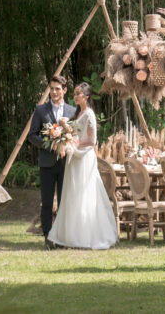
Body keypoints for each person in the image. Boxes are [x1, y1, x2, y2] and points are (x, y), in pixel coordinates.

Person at [47, 82, 117, 249]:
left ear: (85, 96)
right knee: (73, 194)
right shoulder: (79, 113)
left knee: (84, 193)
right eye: (75, 93)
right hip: (75, 157)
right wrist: (66, 131)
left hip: (84, 157)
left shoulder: (89, 114)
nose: (75, 96)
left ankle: (87, 235)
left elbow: (92, 141)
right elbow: (75, 132)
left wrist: (73, 141)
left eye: (78, 93)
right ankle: (71, 235)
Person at [28, 75, 76, 250]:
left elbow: (76, 135)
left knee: (65, 202)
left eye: (58, 89)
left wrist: (69, 143)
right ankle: (48, 237)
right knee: (47, 202)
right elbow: (32, 135)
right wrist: (51, 145)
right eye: (52, 88)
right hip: (47, 163)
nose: (54, 92)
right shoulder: (40, 110)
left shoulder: (72, 111)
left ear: (64, 90)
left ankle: (63, 238)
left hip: (66, 164)